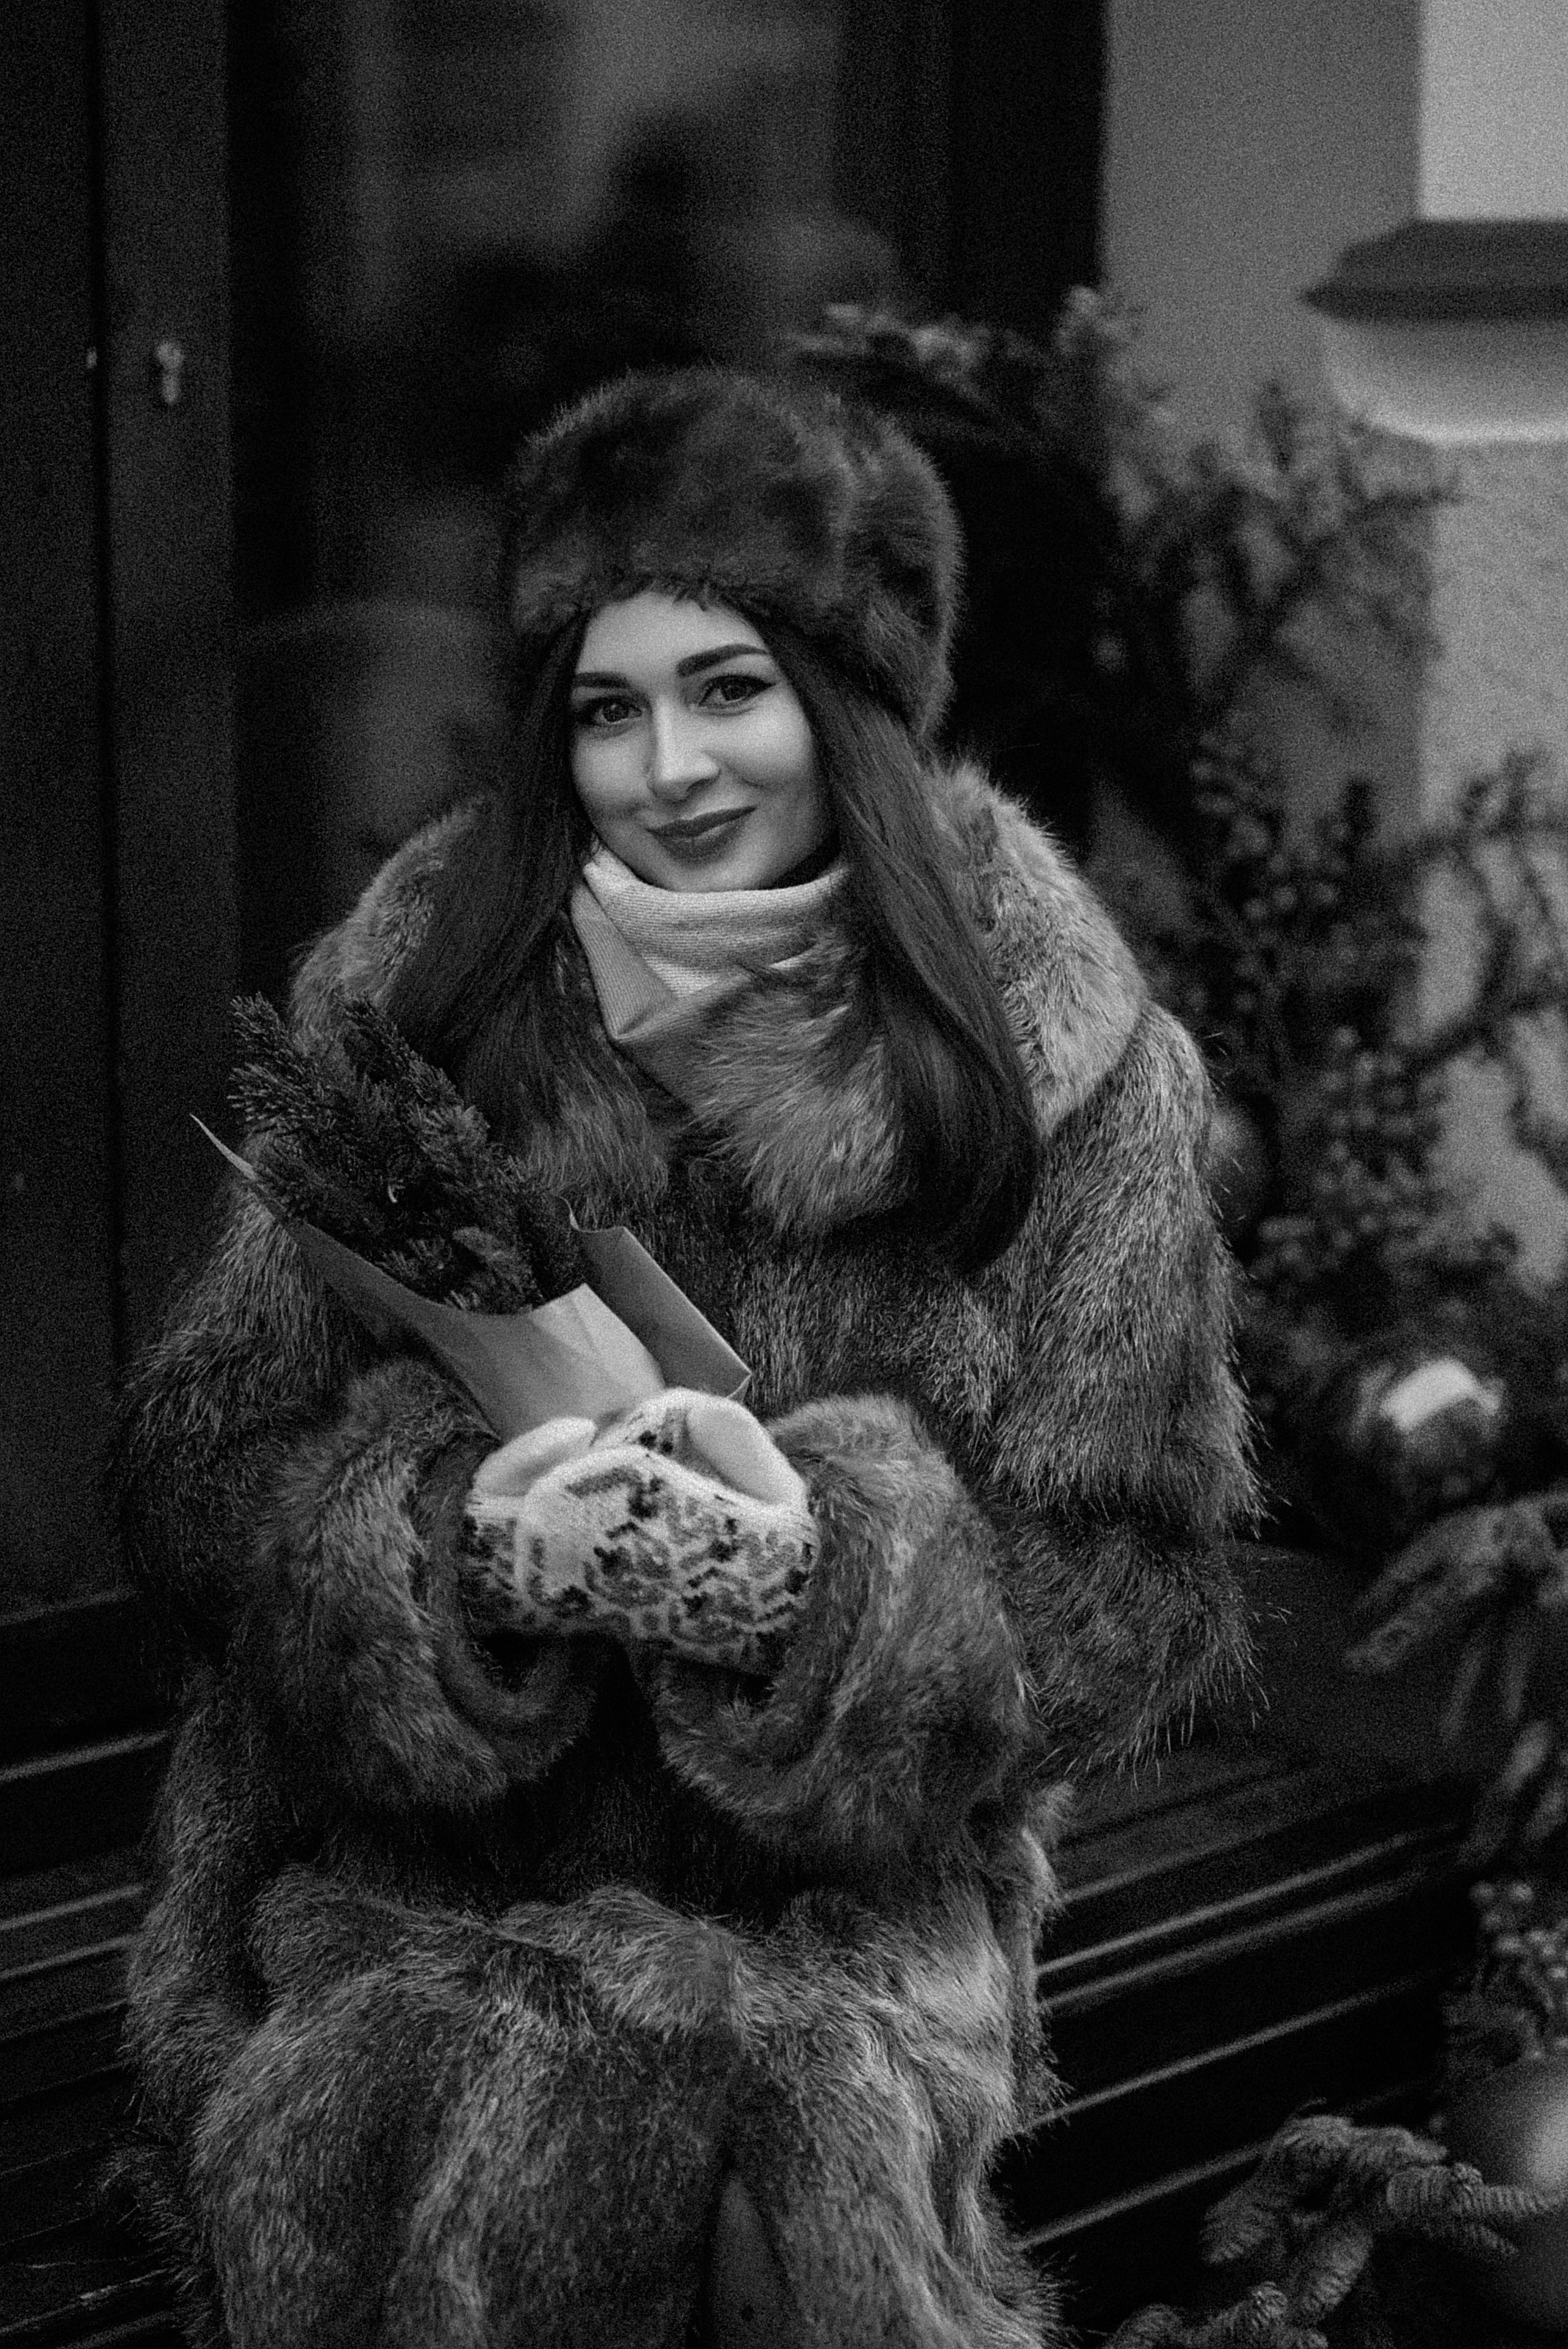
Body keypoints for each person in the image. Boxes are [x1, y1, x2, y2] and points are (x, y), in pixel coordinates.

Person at [113, 369, 1258, 2348]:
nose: (671, 766)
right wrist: (450, 1556)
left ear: (852, 697)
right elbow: (195, 1479)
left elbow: (1138, 1587)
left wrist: (826, 1592)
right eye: (608, 704)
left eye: (730, 686)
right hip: (408, 1887)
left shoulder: (1070, 1068)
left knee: (773, 2164)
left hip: (835, 1935)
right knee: (406, 2118)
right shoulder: (416, 993)